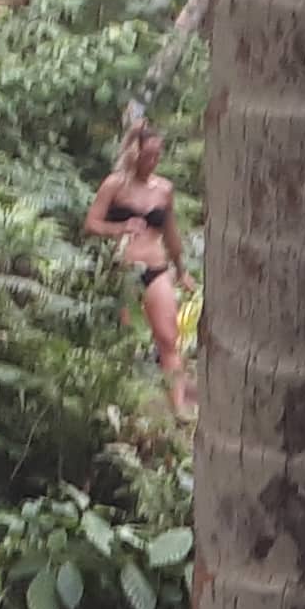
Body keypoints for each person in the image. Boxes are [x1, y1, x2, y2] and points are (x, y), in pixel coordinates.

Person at [83, 114, 192, 417]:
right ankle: (128, 405)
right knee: (127, 339)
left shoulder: (164, 189)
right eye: (148, 154)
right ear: (135, 153)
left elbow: (170, 233)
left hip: (157, 268)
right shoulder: (114, 185)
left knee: (168, 337)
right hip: (123, 270)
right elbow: (91, 223)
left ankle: (179, 407)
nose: (154, 160)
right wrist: (119, 229)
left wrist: (181, 269)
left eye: (158, 155)